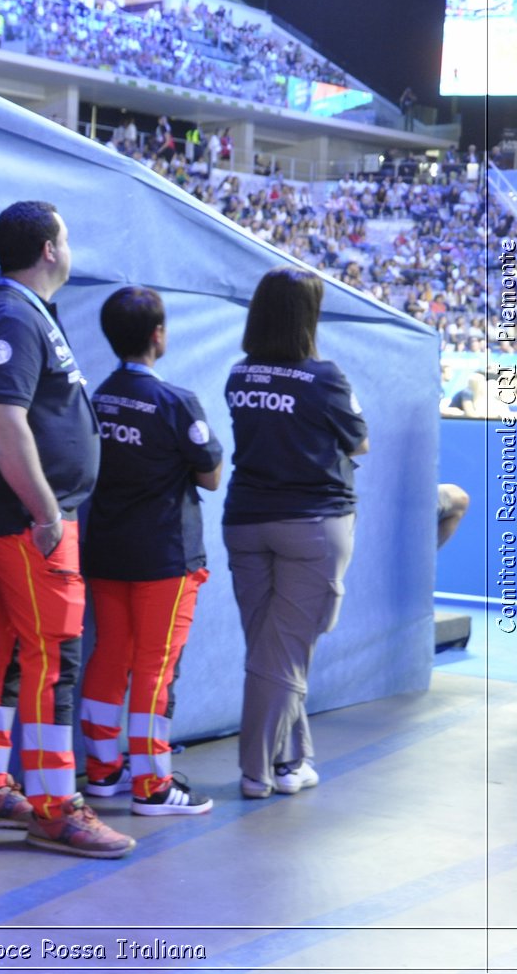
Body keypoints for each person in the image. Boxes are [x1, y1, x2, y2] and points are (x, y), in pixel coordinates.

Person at [0, 200, 134, 858]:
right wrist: (46, 513)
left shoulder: (20, 313)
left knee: (5, 647)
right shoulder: (10, 315)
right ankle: (57, 805)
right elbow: (5, 421)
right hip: (27, 522)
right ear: (51, 249)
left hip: (18, 518)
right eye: (67, 233)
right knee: (52, 659)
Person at [77, 287, 223, 817]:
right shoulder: (176, 402)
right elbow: (209, 475)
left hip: (108, 551)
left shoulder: (97, 397)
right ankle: (153, 787)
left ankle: (101, 771)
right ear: (158, 335)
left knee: (110, 656)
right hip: (164, 557)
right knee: (155, 669)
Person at [224, 266, 368, 800]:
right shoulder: (325, 378)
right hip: (312, 525)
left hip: (246, 523)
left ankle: (290, 761)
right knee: (281, 653)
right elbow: (359, 444)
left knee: (270, 648)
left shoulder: (240, 375)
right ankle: (256, 772)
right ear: (308, 317)